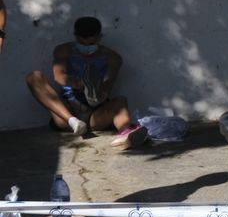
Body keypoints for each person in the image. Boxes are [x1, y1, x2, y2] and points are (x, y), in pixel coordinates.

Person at [25, 16, 147, 149]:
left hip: (94, 114)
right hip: (66, 113)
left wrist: (95, 93)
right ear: (75, 36)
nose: (86, 46)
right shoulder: (64, 50)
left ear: (99, 37)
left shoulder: (112, 58)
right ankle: (74, 122)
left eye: (90, 43)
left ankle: (127, 133)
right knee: (34, 77)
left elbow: (107, 87)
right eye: (82, 43)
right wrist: (80, 84)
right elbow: (59, 77)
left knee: (120, 101)